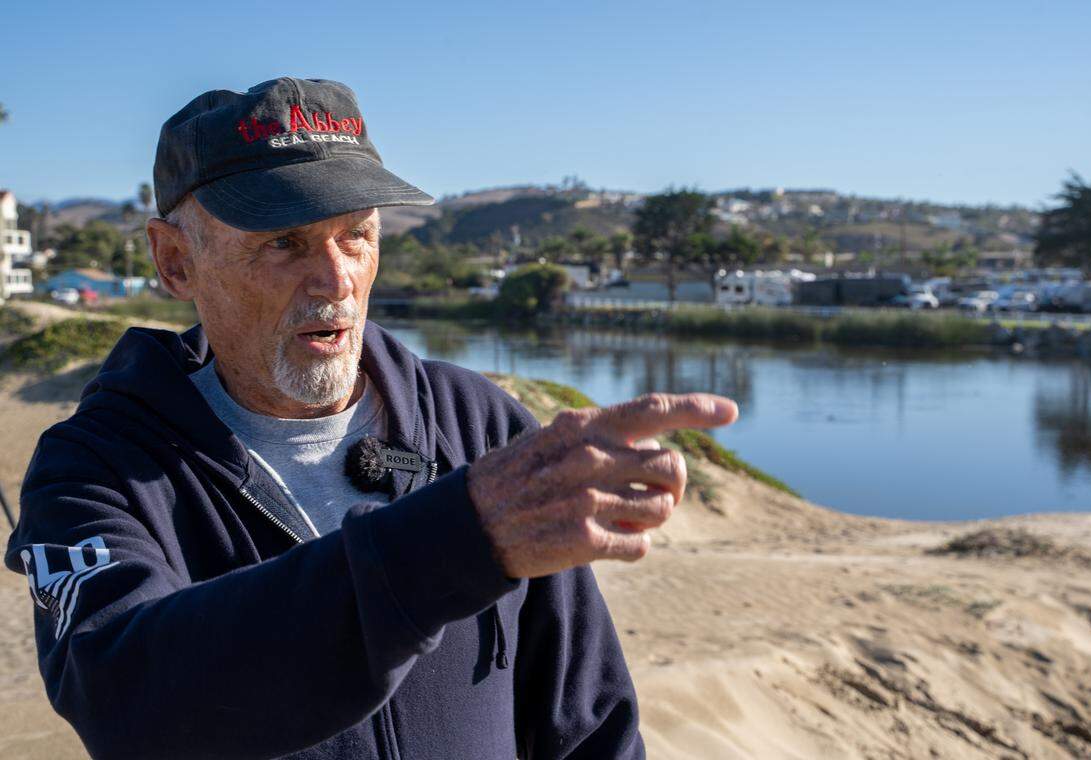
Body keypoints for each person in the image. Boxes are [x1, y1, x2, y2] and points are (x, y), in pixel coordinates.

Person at [5, 77, 737, 759]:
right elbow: (130, 701)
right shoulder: (93, 472)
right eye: (282, 243)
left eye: (356, 234)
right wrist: (455, 540)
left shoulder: (481, 428)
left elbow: (590, 730)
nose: (336, 280)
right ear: (174, 262)